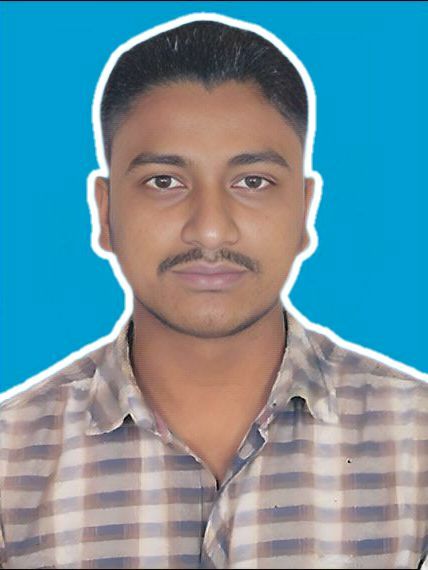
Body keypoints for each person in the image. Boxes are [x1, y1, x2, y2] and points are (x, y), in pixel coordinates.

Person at [0, 13, 426, 570]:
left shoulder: (416, 443)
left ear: (305, 210)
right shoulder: (10, 464)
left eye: (252, 182)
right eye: (164, 181)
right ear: (104, 213)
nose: (209, 230)